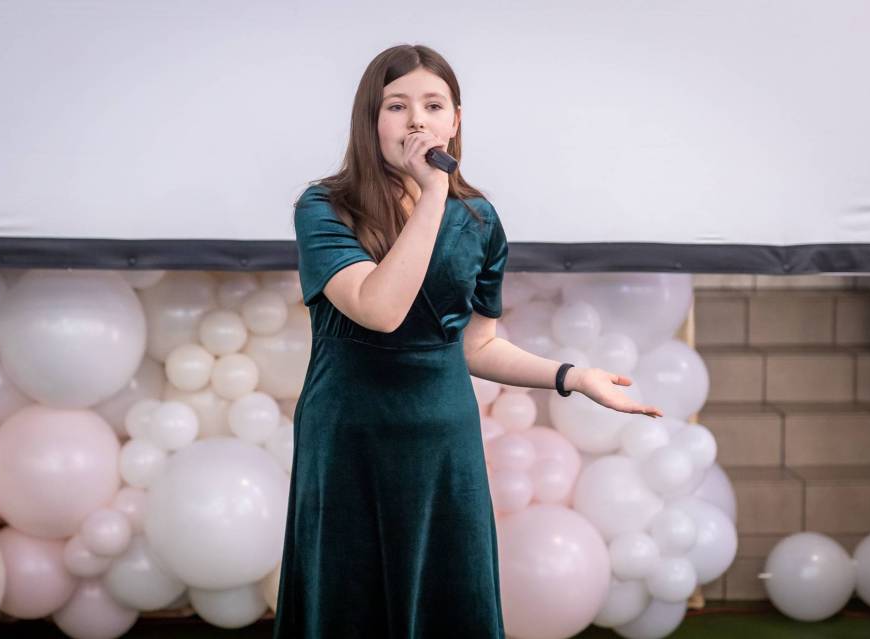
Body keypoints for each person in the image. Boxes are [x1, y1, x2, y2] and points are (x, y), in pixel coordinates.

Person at [272, 43, 664, 639]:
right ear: (369, 121)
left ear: (455, 121)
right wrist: (433, 193)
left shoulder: (478, 220)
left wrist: (573, 377)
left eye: (433, 106)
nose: (417, 121)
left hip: (443, 449)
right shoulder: (325, 207)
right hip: (349, 443)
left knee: (449, 603)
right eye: (396, 106)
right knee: (349, 601)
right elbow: (380, 309)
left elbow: (477, 346)